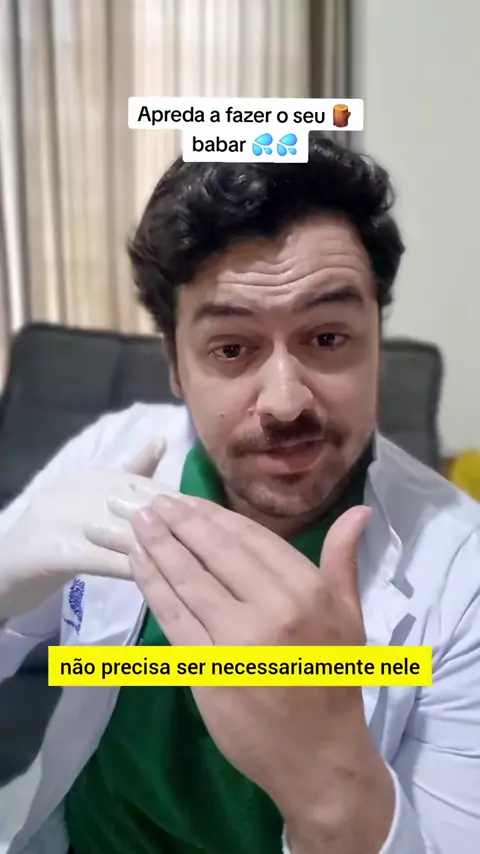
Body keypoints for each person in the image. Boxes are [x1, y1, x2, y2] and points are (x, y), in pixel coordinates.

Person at [0, 137, 479, 854]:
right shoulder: (114, 452)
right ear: (176, 365)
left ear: (376, 342)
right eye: (230, 348)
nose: (285, 401)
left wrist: (332, 786)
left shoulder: (464, 574)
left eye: (328, 337)